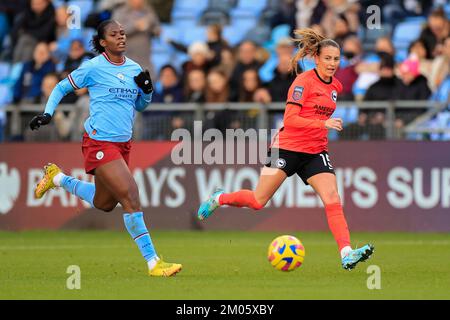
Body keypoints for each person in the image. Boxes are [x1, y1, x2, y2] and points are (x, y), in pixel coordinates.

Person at [197, 28, 374, 270]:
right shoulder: (302, 82)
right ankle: (219, 198)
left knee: (332, 198)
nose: (333, 63)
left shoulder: (336, 87)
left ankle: (346, 253)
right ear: (316, 59)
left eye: (336, 58)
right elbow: (290, 120)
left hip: (315, 150)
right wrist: (323, 123)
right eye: (328, 58)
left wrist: (321, 128)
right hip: (287, 147)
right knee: (259, 201)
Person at [28, 20, 182, 277]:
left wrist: (146, 92)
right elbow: (61, 87)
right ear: (102, 42)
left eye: (122, 33)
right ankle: (153, 262)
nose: (121, 37)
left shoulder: (134, 68)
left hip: (123, 144)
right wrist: (47, 113)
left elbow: (141, 106)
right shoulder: (93, 67)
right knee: (130, 194)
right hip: (99, 142)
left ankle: (57, 178)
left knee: (105, 203)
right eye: (114, 34)